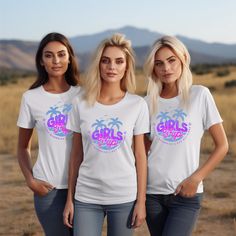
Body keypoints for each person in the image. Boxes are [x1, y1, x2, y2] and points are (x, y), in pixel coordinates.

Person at [63, 33, 149, 236]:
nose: (112, 67)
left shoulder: (137, 105)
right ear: (98, 65)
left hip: (124, 195)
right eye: (106, 61)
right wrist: (69, 199)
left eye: (119, 61)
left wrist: (141, 201)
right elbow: (75, 155)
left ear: (126, 66)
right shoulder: (80, 103)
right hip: (86, 196)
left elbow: (140, 157)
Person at [143, 35, 228, 236]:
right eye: (159, 63)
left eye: (171, 60)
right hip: (151, 194)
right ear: (153, 68)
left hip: (186, 194)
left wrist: (196, 179)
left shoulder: (200, 95)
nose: (166, 68)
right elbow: (142, 151)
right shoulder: (146, 103)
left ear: (183, 59)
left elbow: (222, 145)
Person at [17, 32, 80, 236]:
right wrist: (30, 180)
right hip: (48, 189)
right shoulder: (31, 98)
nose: (56, 61)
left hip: (84, 187)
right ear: (41, 61)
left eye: (61, 54)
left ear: (69, 58)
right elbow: (22, 147)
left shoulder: (83, 95)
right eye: (49, 55)